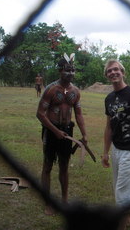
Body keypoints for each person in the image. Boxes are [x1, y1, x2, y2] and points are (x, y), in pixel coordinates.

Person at [36, 53, 87, 215]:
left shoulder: (76, 92)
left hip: (66, 132)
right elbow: (40, 114)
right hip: (52, 132)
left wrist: (84, 135)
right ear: (59, 71)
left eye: (73, 70)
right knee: (48, 165)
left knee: (64, 166)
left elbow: (78, 114)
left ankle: (64, 200)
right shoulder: (51, 89)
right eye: (67, 70)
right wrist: (55, 131)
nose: (71, 73)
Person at [101, 59, 130, 229]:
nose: (113, 73)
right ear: (107, 76)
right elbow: (108, 127)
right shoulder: (109, 98)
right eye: (109, 71)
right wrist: (105, 152)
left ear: (123, 72)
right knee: (120, 187)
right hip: (116, 149)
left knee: (122, 190)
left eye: (116, 70)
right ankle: (128, 216)